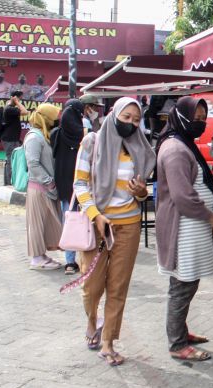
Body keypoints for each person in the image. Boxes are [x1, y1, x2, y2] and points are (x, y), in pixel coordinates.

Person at [73, 97, 156, 365]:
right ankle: (91, 319)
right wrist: (96, 215)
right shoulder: (92, 142)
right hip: (98, 224)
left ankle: (108, 342)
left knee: (118, 287)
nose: (131, 124)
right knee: (92, 286)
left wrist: (142, 193)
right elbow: (80, 185)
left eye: (136, 119)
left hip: (128, 224)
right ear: (113, 114)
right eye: (126, 117)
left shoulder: (139, 147)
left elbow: (144, 190)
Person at [156, 96, 213, 361]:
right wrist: (212, 217)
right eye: (195, 118)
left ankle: (181, 332)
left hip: (189, 226)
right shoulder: (175, 149)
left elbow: (193, 182)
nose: (201, 123)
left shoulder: (183, 144)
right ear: (181, 117)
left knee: (187, 282)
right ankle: (177, 344)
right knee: (182, 285)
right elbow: (183, 196)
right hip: (182, 226)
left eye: (203, 118)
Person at [24, 103, 63, 271]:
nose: (57, 121)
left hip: (45, 187)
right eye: (55, 118)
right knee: (36, 224)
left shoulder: (42, 135)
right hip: (40, 187)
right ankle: (37, 258)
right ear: (47, 119)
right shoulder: (34, 137)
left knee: (45, 222)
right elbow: (32, 163)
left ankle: (41, 254)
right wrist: (49, 181)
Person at [52, 99, 86, 275]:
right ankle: (71, 261)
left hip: (68, 186)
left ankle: (73, 261)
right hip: (74, 186)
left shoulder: (57, 135)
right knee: (72, 221)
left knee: (71, 220)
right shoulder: (81, 139)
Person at [1, 90, 29, 185]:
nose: (20, 101)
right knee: (10, 160)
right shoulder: (9, 108)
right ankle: (9, 183)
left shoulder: (10, 107)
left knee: (11, 160)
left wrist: (15, 102)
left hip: (12, 138)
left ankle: (8, 181)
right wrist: (16, 102)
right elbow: (25, 112)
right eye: (19, 98)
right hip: (10, 139)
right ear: (14, 97)